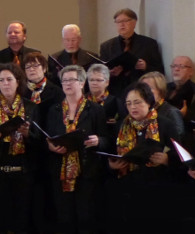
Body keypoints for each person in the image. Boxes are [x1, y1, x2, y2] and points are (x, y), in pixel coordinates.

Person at [103, 82, 183, 232]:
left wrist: (167, 159)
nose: (133, 107)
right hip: (127, 187)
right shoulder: (121, 125)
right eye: (129, 103)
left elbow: (181, 156)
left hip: (157, 188)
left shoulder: (165, 124)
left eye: (137, 102)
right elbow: (110, 154)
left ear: (148, 101)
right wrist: (112, 166)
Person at [42, 63, 108, 234]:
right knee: (64, 217)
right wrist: (50, 146)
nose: (67, 84)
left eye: (72, 80)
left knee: (85, 217)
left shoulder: (95, 110)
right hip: (60, 169)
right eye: (64, 81)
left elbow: (107, 139)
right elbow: (47, 137)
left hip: (86, 170)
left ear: (82, 83)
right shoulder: (54, 110)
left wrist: (98, 140)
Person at [0, 63, 39, 232]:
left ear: (18, 82)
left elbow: (40, 140)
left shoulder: (30, 107)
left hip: (23, 170)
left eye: (9, 79)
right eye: (1, 80)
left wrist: (28, 134)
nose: (5, 83)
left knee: (21, 219)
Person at [99, 8, 164, 98]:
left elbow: (160, 71)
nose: (122, 24)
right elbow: (100, 72)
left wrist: (145, 66)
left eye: (125, 21)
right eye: (118, 22)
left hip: (141, 91)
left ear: (134, 22)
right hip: (116, 92)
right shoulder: (106, 46)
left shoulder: (149, 44)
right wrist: (110, 73)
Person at [139, 71, 185, 140]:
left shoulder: (172, 112)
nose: (144, 92)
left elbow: (178, 138)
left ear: (160, 90)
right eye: (141, 88)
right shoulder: (141, 111)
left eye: (149, 88)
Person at [165, 56, 195, 123]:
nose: (176, 69)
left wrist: (187, 114)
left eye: (181, 66)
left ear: (191, 72)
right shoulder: (164, 88)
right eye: (174, 66)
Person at [23, 52, 63, 118]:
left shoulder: (56, 91)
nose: (31, 69)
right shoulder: (21, 91)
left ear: (44, 68)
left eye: (35, 66)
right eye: (28, 67)